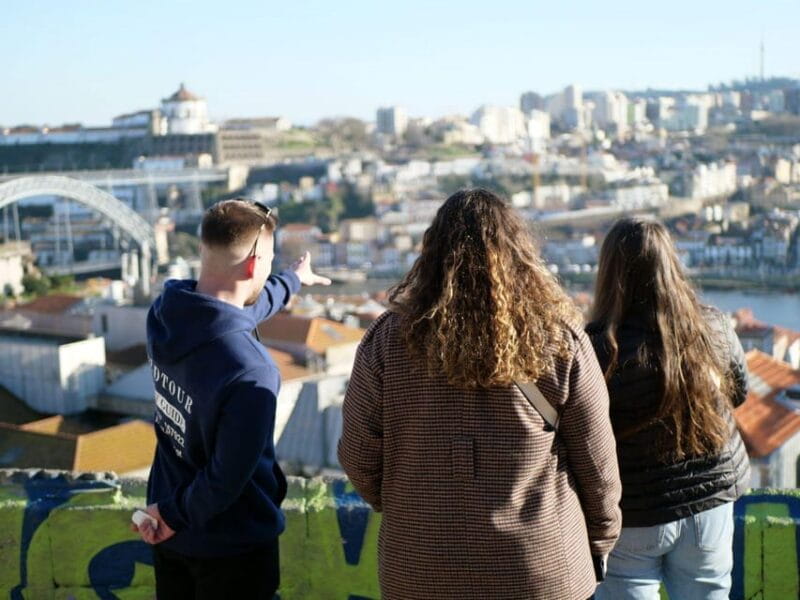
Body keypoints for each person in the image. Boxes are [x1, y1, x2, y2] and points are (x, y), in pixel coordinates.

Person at [338, 188, 622, 600]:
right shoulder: (558, 341)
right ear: (518, 253)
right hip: (540, 568)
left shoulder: (386, 342)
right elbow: (599, 470)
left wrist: (415, 505)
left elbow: (358, 458)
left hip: (420, 569)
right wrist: (597, 543)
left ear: (432, 253)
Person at [132, 199, 330, 599]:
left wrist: (292, 280)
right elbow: (227, 478)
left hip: (169, 528)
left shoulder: (167, 315)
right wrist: (174, 516)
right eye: (270, 261)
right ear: (256, 265)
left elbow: (236, 314)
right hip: (230, 545)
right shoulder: (252, 371)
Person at [588, 217, 750, 600]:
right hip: (706, 502)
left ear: (610, 272)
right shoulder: (712, 328)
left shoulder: (595, 349)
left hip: (631, 512)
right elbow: (737, 393)